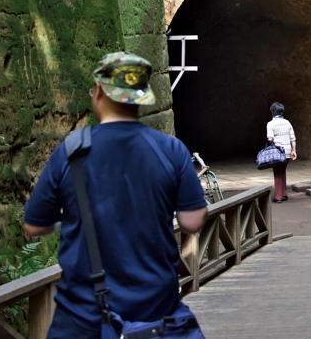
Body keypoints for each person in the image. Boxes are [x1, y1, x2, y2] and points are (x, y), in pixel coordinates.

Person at [23, 52, 208, 339]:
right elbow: (192, 222)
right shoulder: (171, 150)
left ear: (98, 91)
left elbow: (34, 225)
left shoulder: (72, 150)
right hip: (156, 315)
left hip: (83, 318)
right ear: (142, 98)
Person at [266, 102, 297, 202]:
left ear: (272, 112)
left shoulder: (270, 124)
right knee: (283, 171)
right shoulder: (287, 122)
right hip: (287, 150)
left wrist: (270, 139)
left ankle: (278, 196)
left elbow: (270, 138)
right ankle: (284, 194)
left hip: (277, 151)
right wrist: (294, 150)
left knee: (277, 173)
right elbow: (293, 138)